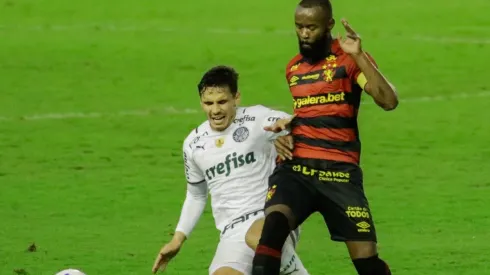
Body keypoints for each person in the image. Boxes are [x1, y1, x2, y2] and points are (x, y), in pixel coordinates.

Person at [251, 0, 399, 274]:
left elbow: (388, 101)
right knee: (269, 238)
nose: (304, 33)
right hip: (297, 169)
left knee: (368, 264)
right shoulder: (293, 68)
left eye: (311, 27)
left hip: (340, 172)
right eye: (299, 27)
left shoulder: (349, 61)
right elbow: (307, 112)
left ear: (329, 26)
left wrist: (360, 57)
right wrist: (285, 131)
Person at [151, 65, 309, 275]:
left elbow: (290, 122)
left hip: (270, 216)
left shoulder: (257, 119)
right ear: (201, 103)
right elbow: (196, 195)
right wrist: (178, 239)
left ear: (236, 97)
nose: (215, 110)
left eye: (222, 102)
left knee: (256, 237)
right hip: (231, 231)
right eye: (208, 103)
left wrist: (286, 131)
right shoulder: (193, 144)